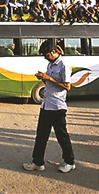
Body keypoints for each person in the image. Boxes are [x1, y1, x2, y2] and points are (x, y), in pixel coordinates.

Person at [23, 40, 75, 173]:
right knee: (41, 135)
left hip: (57, 106)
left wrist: (49, 78)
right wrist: (43, 78)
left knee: (61, 135)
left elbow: (67, 86)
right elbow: (49, 83)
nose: (45, 57)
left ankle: (69, 161)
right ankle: (37, 162)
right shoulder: (51, 64)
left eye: (47, 54)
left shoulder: (64, 65)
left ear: (54, 52)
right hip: (46, 104)